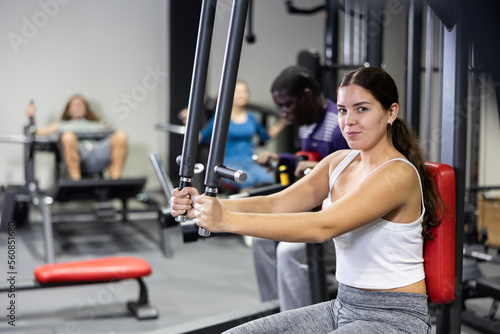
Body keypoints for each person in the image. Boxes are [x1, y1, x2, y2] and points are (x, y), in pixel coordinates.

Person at [170, 67, 441, 333]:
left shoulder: (397, 174)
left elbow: (322, 226)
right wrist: (204, 203)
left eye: (362, 109)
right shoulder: (339, 161)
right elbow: (275, 203)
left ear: (390, 112)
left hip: (394, 318)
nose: (348, 121)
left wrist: (227, 221)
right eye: (343, 110)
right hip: (343, 307)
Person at [253, 66, 349, 311]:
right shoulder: (306, 123)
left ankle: (296, 322)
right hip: (316, 212)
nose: (283, 114)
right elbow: (306, 159)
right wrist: (281, 158)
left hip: (343, 223)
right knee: (261, 239)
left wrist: (317, 168)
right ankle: (276, 308)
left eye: (287, 105)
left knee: (290, 252)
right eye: (279, 107)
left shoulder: (338, 126)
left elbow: (355, 177)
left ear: (307, 96)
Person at [199, 80, 285, 192]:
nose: (242, 94)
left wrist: (283, 122)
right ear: (229, 95)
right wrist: (189, 122)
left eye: (245, 91)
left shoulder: (252, 117)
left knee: (267, 179)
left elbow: (266, 136)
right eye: (238, 91)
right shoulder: (219, 118)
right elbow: (201, 138)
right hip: (228, 163)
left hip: (250, 160)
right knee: (247, 180)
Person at [25, 95, 128, 180]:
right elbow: (36, 133)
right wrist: (31, 118)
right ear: (68, 111)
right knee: (68, 136)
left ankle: (115, 180)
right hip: (78, 155)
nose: (79, 106)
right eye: (75, 104)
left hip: (96, 153)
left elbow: (114, 142)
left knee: (121, 136)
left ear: (86, 109)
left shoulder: (98, 125)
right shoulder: (61, 125)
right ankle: (76, 181)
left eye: (81, 104)